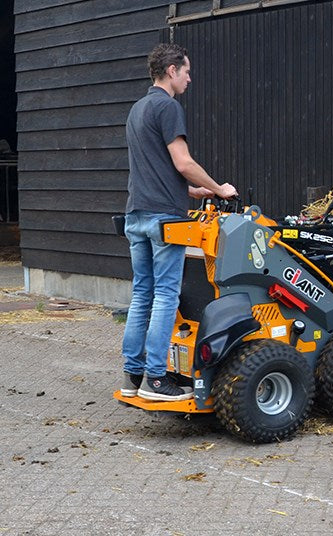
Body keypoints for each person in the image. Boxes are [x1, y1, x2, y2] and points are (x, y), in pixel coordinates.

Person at [120, 43, 238, 402]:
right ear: (171, 70)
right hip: (164, 220)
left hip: (137, 214)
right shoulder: (168, 107)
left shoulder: (137, 109)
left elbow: (153, 169)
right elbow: (183, 162)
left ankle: (133, 374)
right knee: (166, 296)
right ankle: (156, 379)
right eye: (186, 71)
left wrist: (191, 192)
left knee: (142, 294)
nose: (189, 78)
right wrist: (217, 188)